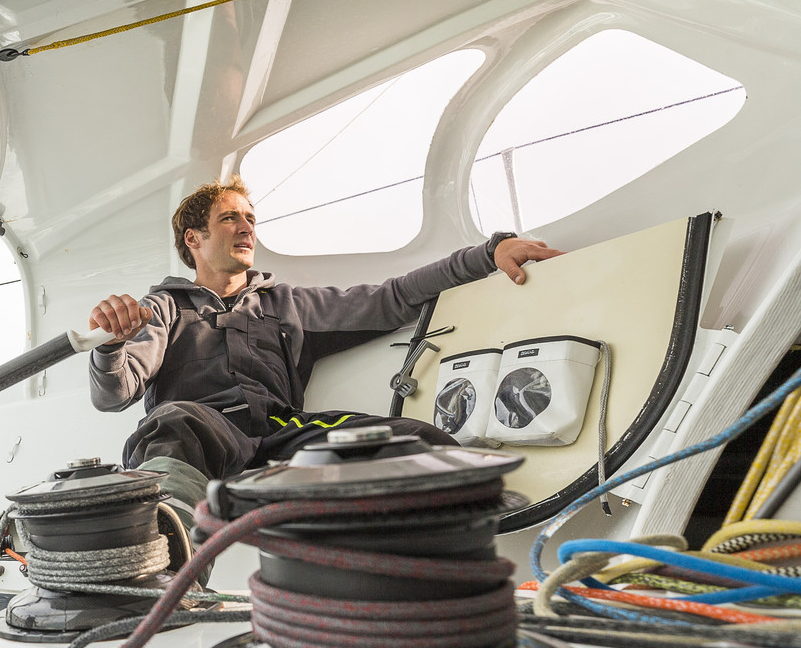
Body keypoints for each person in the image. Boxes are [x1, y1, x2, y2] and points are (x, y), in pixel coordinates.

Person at [87, 175, 561, 507]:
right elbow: (115, 394)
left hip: (281, 435)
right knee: (174, 420)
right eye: (231, 218)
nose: (247, 227)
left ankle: (434, 560)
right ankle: (168, 565)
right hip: (202, 438)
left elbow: (392, 299)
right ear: (194, 238)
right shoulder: (163, 309)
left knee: (415, 440)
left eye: (250, 218)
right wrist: (109, 346)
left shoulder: (287, 304)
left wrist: (486, 255)